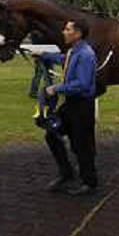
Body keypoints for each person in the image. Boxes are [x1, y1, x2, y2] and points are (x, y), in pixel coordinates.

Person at [34, 19, 98, 196]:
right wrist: (43, 54)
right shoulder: (73, 51)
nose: (63, 32)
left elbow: (83, 84)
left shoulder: (86, 54)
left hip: (82, 107)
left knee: (81, 145)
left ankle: (89, 183)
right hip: (70, 105)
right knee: (52, 134)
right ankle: (67, 173)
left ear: (77, 34)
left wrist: (56, 88)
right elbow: (63, 59)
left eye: (67, 29)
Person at [28, 29, 53, 98]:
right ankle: (34, 92)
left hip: (46, 53)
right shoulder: (38, 33)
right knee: (41, 73)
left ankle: (49, 91)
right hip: (40, 54)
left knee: (48, 73)